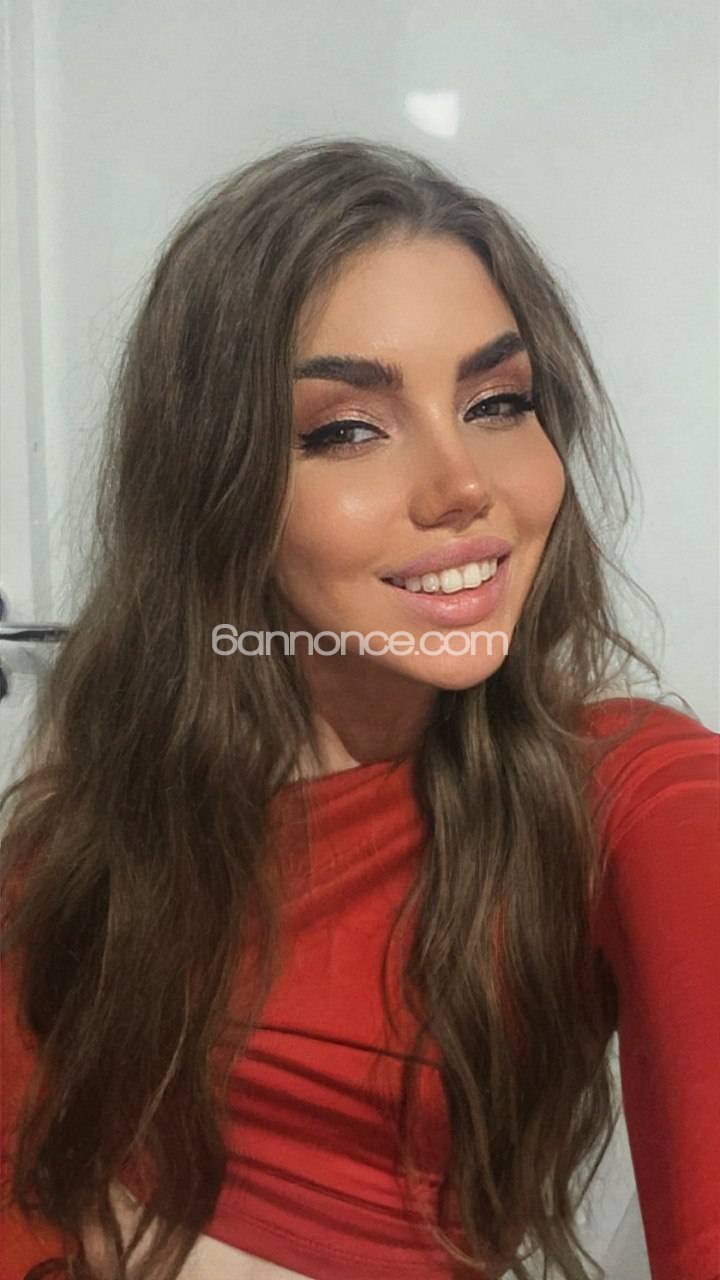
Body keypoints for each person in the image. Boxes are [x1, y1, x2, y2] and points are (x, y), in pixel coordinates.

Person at [1, 137, 718, 1280]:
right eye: (347, 428)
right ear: (216, 487)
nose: (463, 484)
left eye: (498, 402)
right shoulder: (88, 831)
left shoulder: (638, 792)